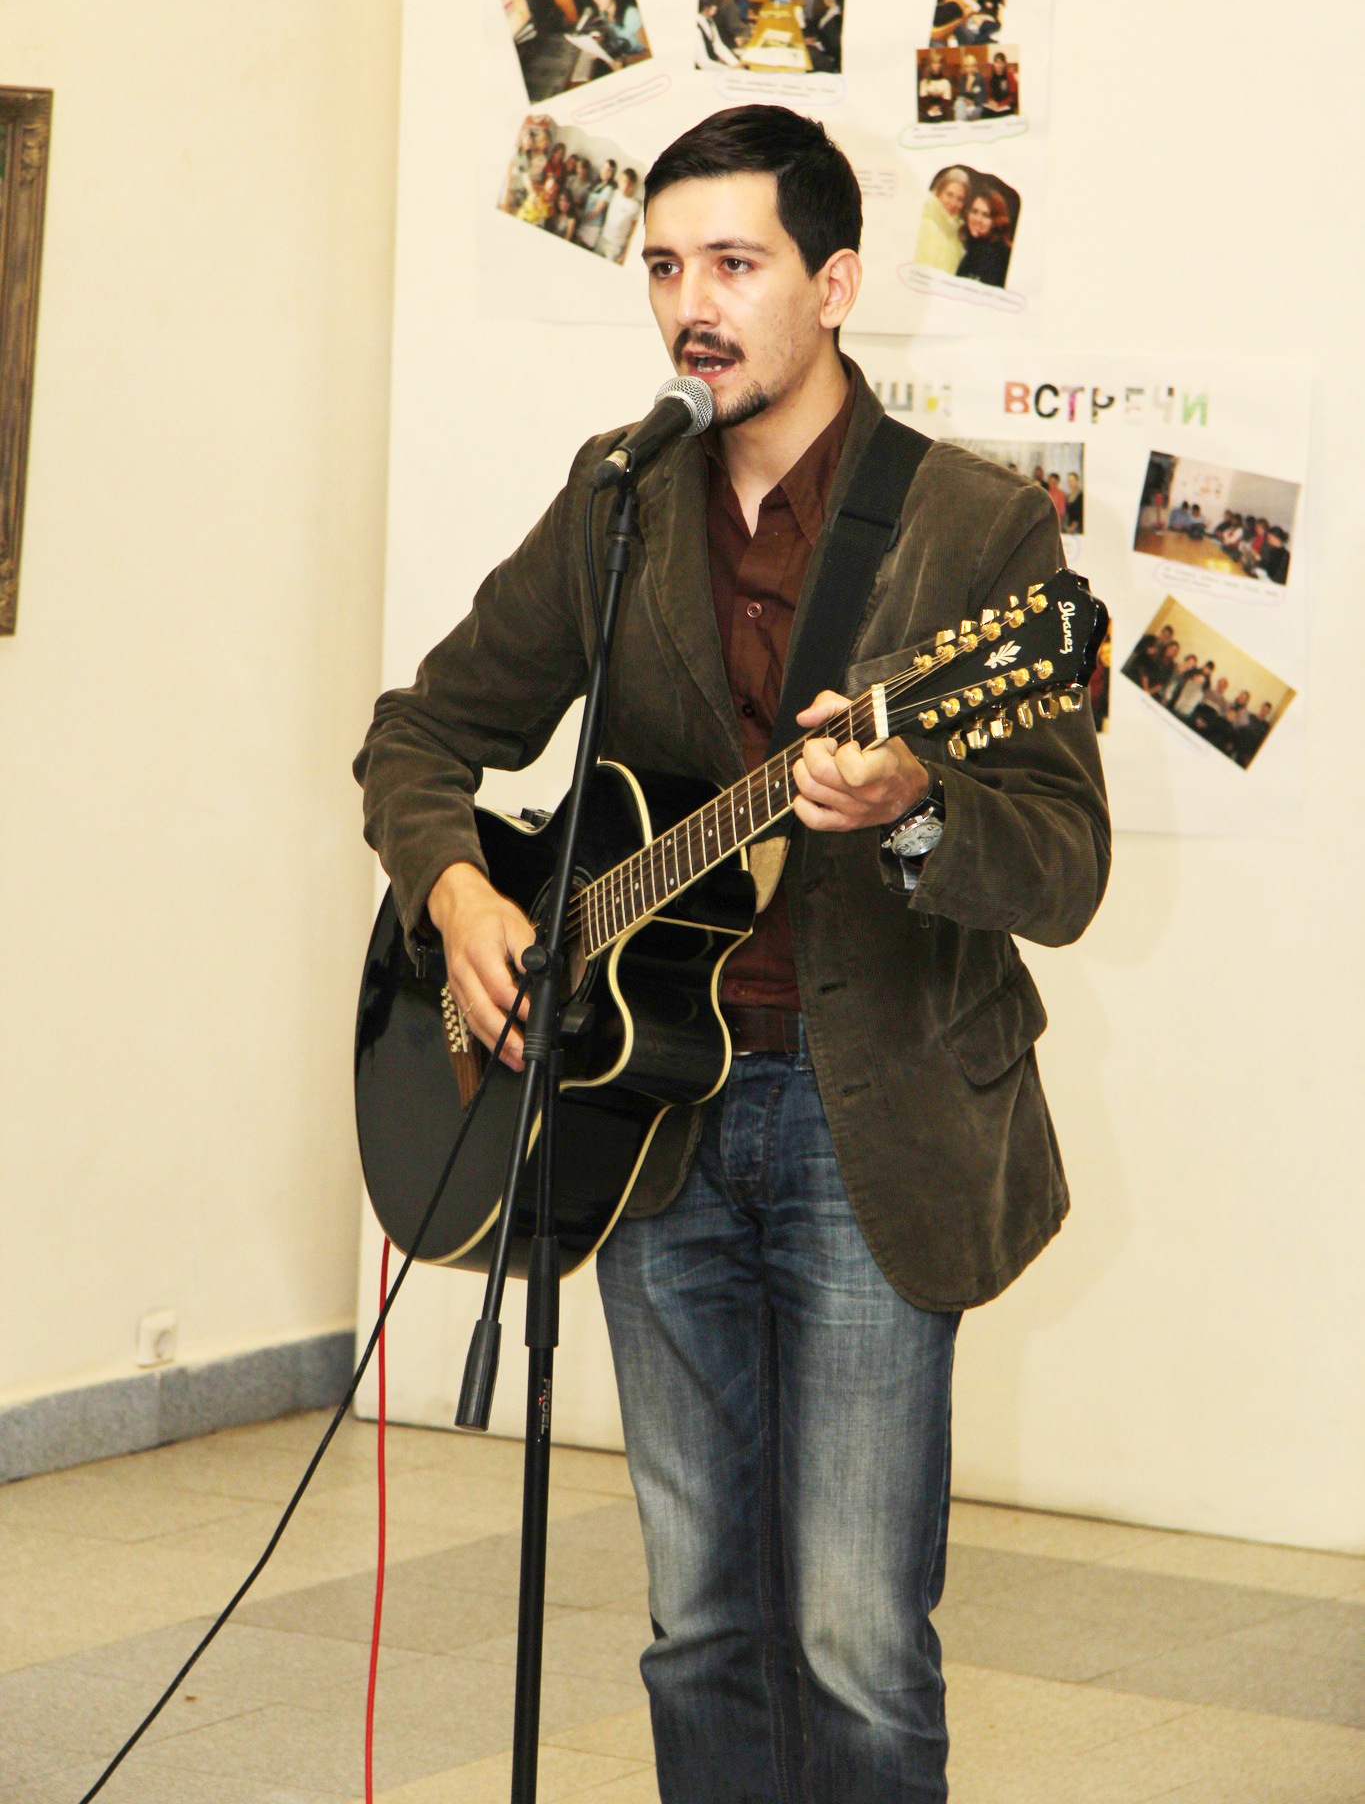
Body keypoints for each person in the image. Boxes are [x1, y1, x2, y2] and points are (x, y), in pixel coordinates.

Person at [354, 105, 1109, 1803]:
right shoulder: (618, 497)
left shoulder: (973, 529)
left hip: (870, 1123)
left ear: (834, 284)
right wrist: (461, 896)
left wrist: (915, 802)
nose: (692, 303)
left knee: (853, 1634)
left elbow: (1065, 863)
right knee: (696, 1621)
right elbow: (421, 733)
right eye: (664, 266)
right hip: (651, 1124)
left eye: (736, 263)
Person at [915, 165, 969, 273]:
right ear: (939, 192)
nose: (953, 203)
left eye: (960, 199)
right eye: (949, 195)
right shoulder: (925, 223)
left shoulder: (956, 234)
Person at [955, 187, 1014, 287]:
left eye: (985, 215)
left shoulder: (997, 255)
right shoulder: (972, 245)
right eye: (974, 211)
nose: (978, 219)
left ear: (996, 221)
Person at [595, 165, 641, 262]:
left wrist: (625, 253)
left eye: (629, 183)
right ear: (619, 181)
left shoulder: (635, 205)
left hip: (616, 246)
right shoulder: (613, 193)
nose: (626, 185)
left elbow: (633, 232)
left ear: (633, 185)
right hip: (602, 238)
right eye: (624, 181)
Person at [574, 158, 616, 250]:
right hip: (584, 223)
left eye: (608, 170)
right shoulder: (598, 185)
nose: (605, 172)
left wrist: (580, 217)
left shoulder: (608, 189)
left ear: (612, 173)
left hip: (592, 227)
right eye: (604, 168)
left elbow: (596, 212)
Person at [918, 48, 954, 122]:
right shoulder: (924, 82)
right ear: (930, 65)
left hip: (942, 109)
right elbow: (923, 99)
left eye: (938, 63)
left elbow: (947, 100)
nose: (937, 66)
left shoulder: (946, 82)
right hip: (927, 109)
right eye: (934, 63)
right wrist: (931, 108)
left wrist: (938, 108)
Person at [983, 50, 1017, 114]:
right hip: (994, 106)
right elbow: (988, 94)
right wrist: (990, 101)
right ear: (994, 64)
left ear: (1004, 64)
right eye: (997, 63)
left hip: (1006, 105)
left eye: (1001, 63)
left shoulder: (1009, 76)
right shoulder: (990, 77)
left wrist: (1001, 104)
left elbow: (1012, 96)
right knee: (985, 112)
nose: (999, 65)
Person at [1063, 470, 1084, 535]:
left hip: (1078, 526)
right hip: (1069, 524)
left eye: (1072, 480)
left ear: (1077, 481)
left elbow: (1080, 512)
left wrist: (1074, 525)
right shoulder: (1068, 495)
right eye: (1069, 481)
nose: (1070, 483)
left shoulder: (1081, 495)